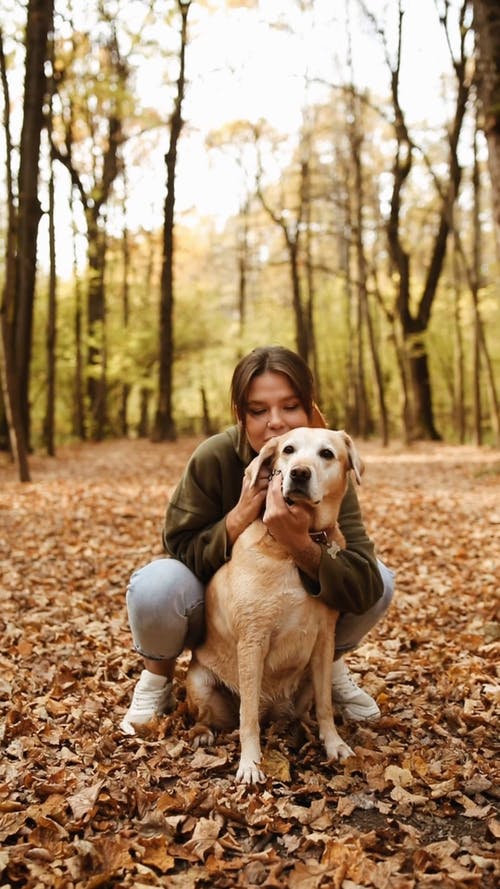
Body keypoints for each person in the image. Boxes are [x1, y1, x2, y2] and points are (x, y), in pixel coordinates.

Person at [121, 345, 394, 734]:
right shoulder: (213, 456)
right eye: (259, 410)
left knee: (379, 581)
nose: (276, 422)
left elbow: (361, 579)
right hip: (216, 608)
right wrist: (239, 517)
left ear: (309, 407)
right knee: (156, 585)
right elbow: (179, 548)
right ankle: (156, 682)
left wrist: (300, 543)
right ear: (240, 415)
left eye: (290, 406)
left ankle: (326, 668)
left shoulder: (326, 464)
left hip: (298, 609)